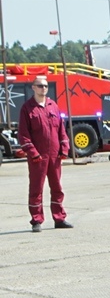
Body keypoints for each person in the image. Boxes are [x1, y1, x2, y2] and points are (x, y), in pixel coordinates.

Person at [18, 75, 73, 232]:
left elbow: (61, 129)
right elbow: (23, 134)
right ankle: (36, 220)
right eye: (40, 86)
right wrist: (33, 152)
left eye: (46, 86)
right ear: (33, 88)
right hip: (38, 156)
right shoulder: (27, 108)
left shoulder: (53, 105)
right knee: (36, 189)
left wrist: (64, 148)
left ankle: (59, 218)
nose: (43, 88)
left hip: (54, 155)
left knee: (57, 187)